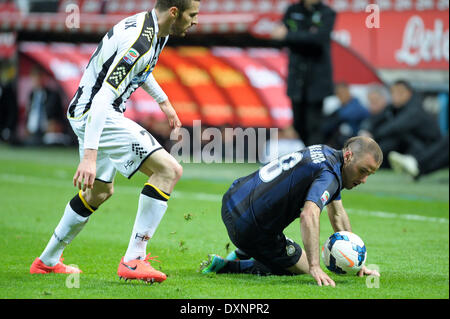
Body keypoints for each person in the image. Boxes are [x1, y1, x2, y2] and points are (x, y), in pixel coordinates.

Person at [30, 0, 201, 283]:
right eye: (192, 15)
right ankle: (134, 260)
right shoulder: (140, 41)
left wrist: (165, 103)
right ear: (174, 12)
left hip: (89, 112)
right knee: (168, 170)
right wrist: (89, 156)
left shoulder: (157, 30)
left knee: (99, 192)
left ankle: (47, 260)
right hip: (97, 113)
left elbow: (141, 71)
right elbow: (102, 98)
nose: (195, 21)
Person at [200, 136, 382, 287]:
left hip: (232, 199)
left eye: (369, 174)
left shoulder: (326, 153)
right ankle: (229, 266)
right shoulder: (329, 174)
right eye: (363, 171)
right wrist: (314, 266)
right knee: (300, 266)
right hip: (248, 228)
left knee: (280, 242)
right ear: (349, 156)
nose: (364, 179)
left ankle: (244, 251)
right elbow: (309, 214)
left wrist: (357, 262)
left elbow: (337, 214)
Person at [271, 0, 336, 146]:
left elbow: (319, 39)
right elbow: (278, 38)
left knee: (314, 125)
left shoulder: (327, 13)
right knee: (298, 125)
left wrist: (290, 36)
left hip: (317, 80)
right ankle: (311, 154)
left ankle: (316, 161)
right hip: (296, 79)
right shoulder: (292, 10)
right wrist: (296, 37)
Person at [359, 80, 441, 168]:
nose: (395, 96)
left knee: (395, 136)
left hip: (429, 149)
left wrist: (374, 135)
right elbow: (374, 120)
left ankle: (370, 160)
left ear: (408, 93)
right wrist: (366, 130)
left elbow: (396, 127)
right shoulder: (395, 107)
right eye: (393, 92)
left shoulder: (415, 109)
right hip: (412, 146)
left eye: (399, 92)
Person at [322, 82, 370, 149]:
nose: (340, 96)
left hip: (355, 144)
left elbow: (346, 115)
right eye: (338, 94)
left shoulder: (357, 107)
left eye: (342, 92)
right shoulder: (339, 109)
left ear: (348, 91)